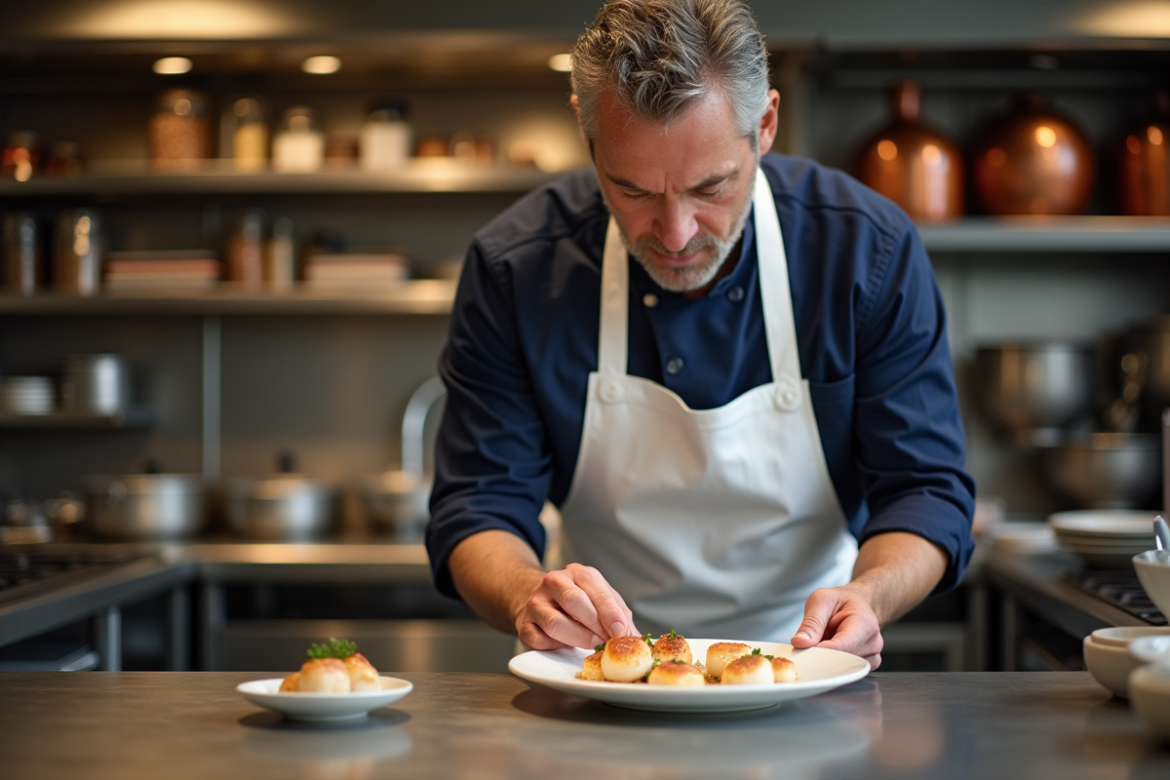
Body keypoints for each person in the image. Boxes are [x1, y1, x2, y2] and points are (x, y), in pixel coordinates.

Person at [425, 0, 975, 669]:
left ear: (765, 125)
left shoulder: (867, 252)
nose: (677, 233)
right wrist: (524, 596)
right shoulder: (517, 267)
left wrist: (869, 596)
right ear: (585, 131)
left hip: (804, 665)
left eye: (710, 188)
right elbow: (478, 504)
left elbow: (926, 490)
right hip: (598, 669)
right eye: (632, 191)